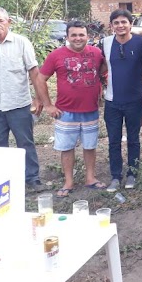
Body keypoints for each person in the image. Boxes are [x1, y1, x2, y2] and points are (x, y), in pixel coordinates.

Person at [0, 6, 44, 191]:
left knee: (25, 142)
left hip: (19, 103)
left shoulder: (21, 42)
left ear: (9, 22)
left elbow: (34, 72)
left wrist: (38, 98)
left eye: (1, 21)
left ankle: (32, 178)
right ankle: (2, 181)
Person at [34, 20, 107, 197]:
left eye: (81, 35)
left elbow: (104, 73)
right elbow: (40, 79)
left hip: (90, 110)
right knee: (67, 148)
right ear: (67, 37)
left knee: (90, 146)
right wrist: (48, 104)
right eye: (73, 35)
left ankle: (90, 178)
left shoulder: (97, 53)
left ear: (87, 37)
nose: (77, 38)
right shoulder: (56, 55)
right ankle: (69, 182)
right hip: (65, 111)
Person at [102, 9, 142, 192]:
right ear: (111, 26)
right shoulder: (105, 43)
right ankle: (115, 176)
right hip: (112, 101)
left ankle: (132, 173)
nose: (120, 26)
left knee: (134, 139)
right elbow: (100, 66)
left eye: (124, 22)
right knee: (113, 140)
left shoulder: (140, 42)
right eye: (116, 23)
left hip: (135, 100)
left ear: (130, 24)